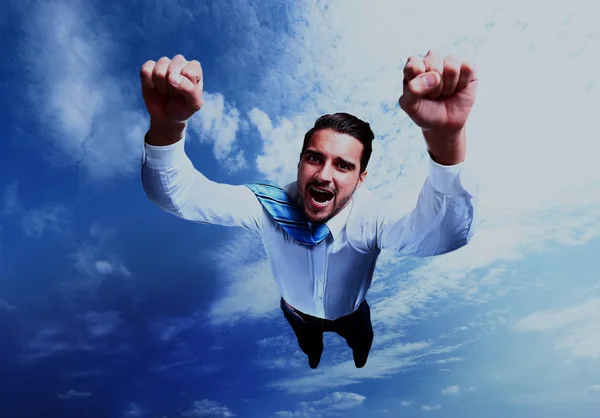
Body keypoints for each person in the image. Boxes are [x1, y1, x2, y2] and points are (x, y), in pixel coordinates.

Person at [139, 50, 479, 369]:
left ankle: (359, 354)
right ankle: (313, 353)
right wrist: (168, 126)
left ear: (361, 179)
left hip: (352, 315)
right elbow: (180, 197)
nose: (324, 175)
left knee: (362, 342)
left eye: (343, 166)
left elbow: (441, 235)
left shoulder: (371, 216)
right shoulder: (267, 206)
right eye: (315, 158)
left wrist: (447, 139)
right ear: (300, 161)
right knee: (309, 346)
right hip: (297, 313)